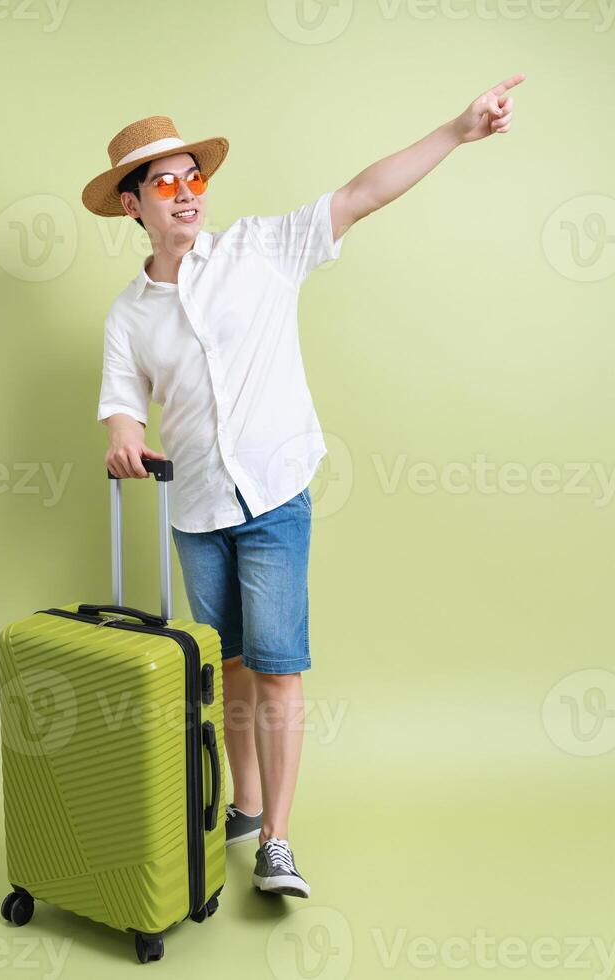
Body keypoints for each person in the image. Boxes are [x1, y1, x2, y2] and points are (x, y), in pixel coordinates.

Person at [81, 80, 525, 899]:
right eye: (165, 183)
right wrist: (122, 433)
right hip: (196, 511)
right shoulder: (129, 315)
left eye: (194, 177)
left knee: (280, 670)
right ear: (132, 205)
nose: (187, 193)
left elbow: (361, 193)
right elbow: (122, 404)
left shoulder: (261, 248)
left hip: (276, 497)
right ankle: (245, 807)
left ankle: (276, 843)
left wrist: (456, 131)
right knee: (235, 670)